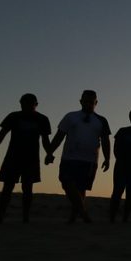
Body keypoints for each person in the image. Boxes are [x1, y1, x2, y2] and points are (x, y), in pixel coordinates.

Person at [46, 90, 111, 223]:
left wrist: (107, 158)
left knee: (81, 188)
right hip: (69, 158)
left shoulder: (101, 120)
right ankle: (83, 213)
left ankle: (74, 217)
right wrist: (50, 152)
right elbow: (59, 136)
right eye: (86, 101)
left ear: (96, 103)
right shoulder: (71, 117)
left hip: (89, 160)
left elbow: (105, 141)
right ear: (81, 101)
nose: (88, 104)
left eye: (91, 102)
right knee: (66, 183)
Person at [0, 93, 52, 224]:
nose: (27, 107)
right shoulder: (13, 116)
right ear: (20, 104)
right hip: (13, 156)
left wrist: (49, 153)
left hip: (31, 158)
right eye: (24, 104)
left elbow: (45, 140)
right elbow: (1, 134)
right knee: (8, 187)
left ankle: (25, 218)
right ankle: (0, 217)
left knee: (27, 188)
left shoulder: (42, 119)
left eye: (30, 104)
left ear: (36, 105)